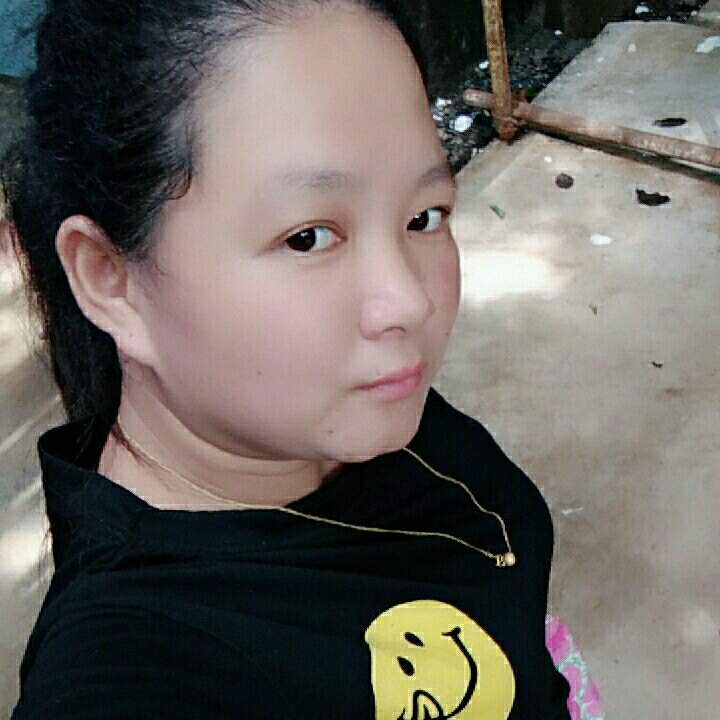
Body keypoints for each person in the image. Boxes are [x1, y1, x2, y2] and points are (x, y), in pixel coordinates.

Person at [2, 0, 571, 717]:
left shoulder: (343, 416)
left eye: (423, 217)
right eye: (308, 238)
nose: (408, 301)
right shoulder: (135, 668)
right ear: (111, 280)